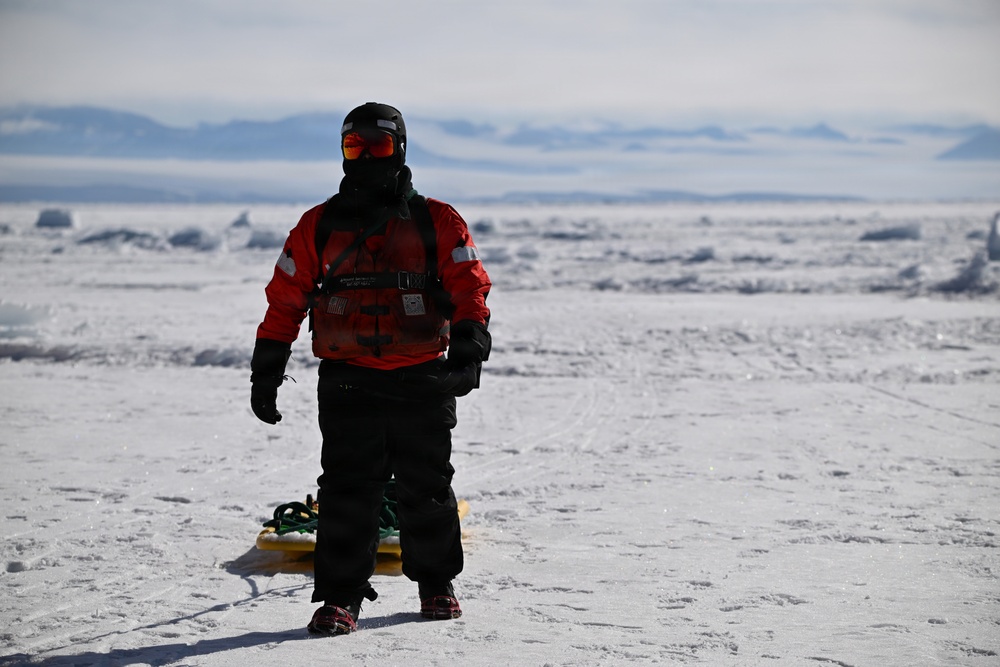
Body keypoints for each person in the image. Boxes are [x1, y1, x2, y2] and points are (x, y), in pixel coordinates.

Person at [249, 102, 492, 636]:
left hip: (423, 376)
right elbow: (285, 298)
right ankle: (340, 598)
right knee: (346, 490)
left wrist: (470, 350)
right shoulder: (317, 226)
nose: (364, 157)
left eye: (376, 146)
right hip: (348, 378)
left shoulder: (437, 220)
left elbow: (469, 285)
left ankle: (436, 585)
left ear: (399, 149)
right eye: (353, 147)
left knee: (426, 486)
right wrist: (266, 370)